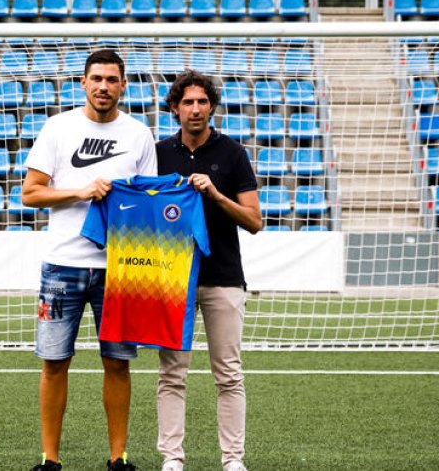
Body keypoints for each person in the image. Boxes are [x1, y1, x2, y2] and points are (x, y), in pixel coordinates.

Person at [22, 48, 157, 471]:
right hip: (62, 266)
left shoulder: (138, 134)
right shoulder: (58, 128)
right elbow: (30, 193)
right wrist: (79, 192)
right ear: (83, 82)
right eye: (96, 78)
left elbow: (149, 202)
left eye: (112, 79)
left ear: (123, 85)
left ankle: (118, 458)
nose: (103, 86)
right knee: (54, 362)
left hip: (119, 270)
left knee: (117, 364)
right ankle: (50, 460)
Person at [154, 70, 262, 471]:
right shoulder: (158, 152)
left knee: (229, 375)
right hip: (172, 280)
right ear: (174, 108)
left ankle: (233, 460)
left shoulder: (233, 154)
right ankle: (172, 458)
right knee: (171, 374)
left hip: (224, 278)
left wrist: (215, 195)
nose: (195, 109)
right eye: (187, 102)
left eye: (202, 102)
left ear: (212, 106)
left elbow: (254, 220)